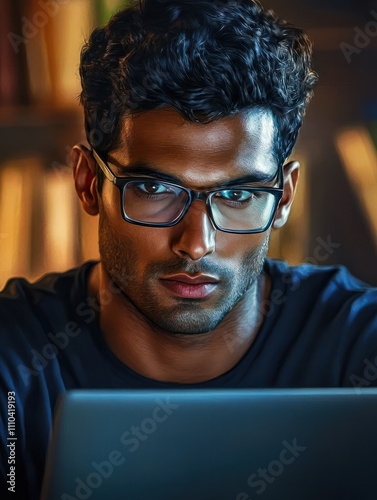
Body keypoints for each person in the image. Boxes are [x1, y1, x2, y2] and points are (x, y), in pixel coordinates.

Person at [1, 0, 377, 498]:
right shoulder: (14, 356)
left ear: (283, 197)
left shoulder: (359, 343)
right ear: (88, 183)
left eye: (239, 195)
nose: (195, 244)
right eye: (155, 191)